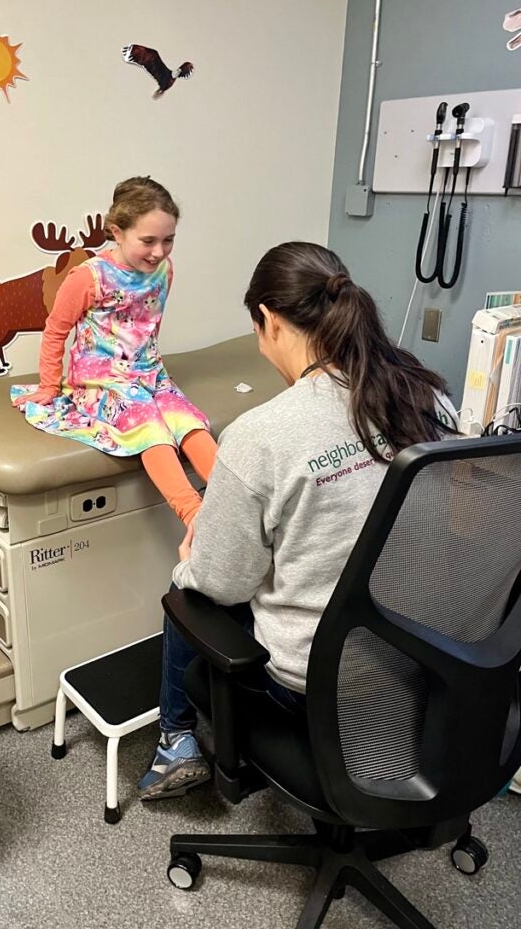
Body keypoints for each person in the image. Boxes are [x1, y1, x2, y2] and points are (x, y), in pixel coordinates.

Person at [137, 241, 458, 801]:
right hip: (425, 663)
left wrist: (197, 552)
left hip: (319, 690)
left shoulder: (260, 437)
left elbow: (222, 583)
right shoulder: (426, 394)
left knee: (188, 590)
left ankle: (175, 743)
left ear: (269, 321)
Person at [11, 177, 217, 526]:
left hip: (150, 374)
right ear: (116, 232)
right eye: (148, 241)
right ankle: (194, 517)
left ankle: (241, 503)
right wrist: (49, 386)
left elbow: (146, 327)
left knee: (190, 424)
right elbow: (55, 331)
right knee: (150, 429)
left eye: (168, 241)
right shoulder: (88, 278)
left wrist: (151, 376)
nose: (159, 251)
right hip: (99, 382)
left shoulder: (164, 271)